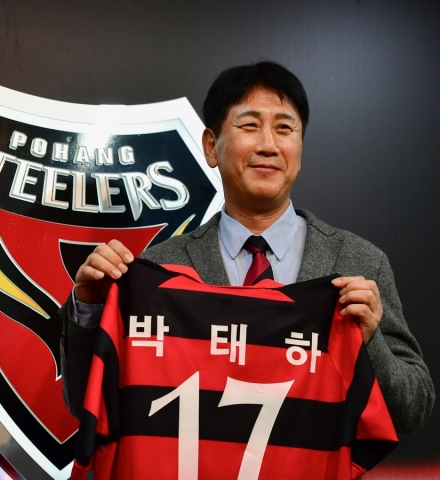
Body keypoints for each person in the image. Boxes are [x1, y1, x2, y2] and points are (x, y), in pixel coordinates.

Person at [59, 61, 435, 435]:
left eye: (285, 128)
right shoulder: (160, 269)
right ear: (211, 146)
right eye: (250, 125)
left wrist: (371, 342)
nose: (268, 145)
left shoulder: (360, 263)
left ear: (300, 147)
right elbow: (89, 405)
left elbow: (411, 412)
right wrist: (90, 309)